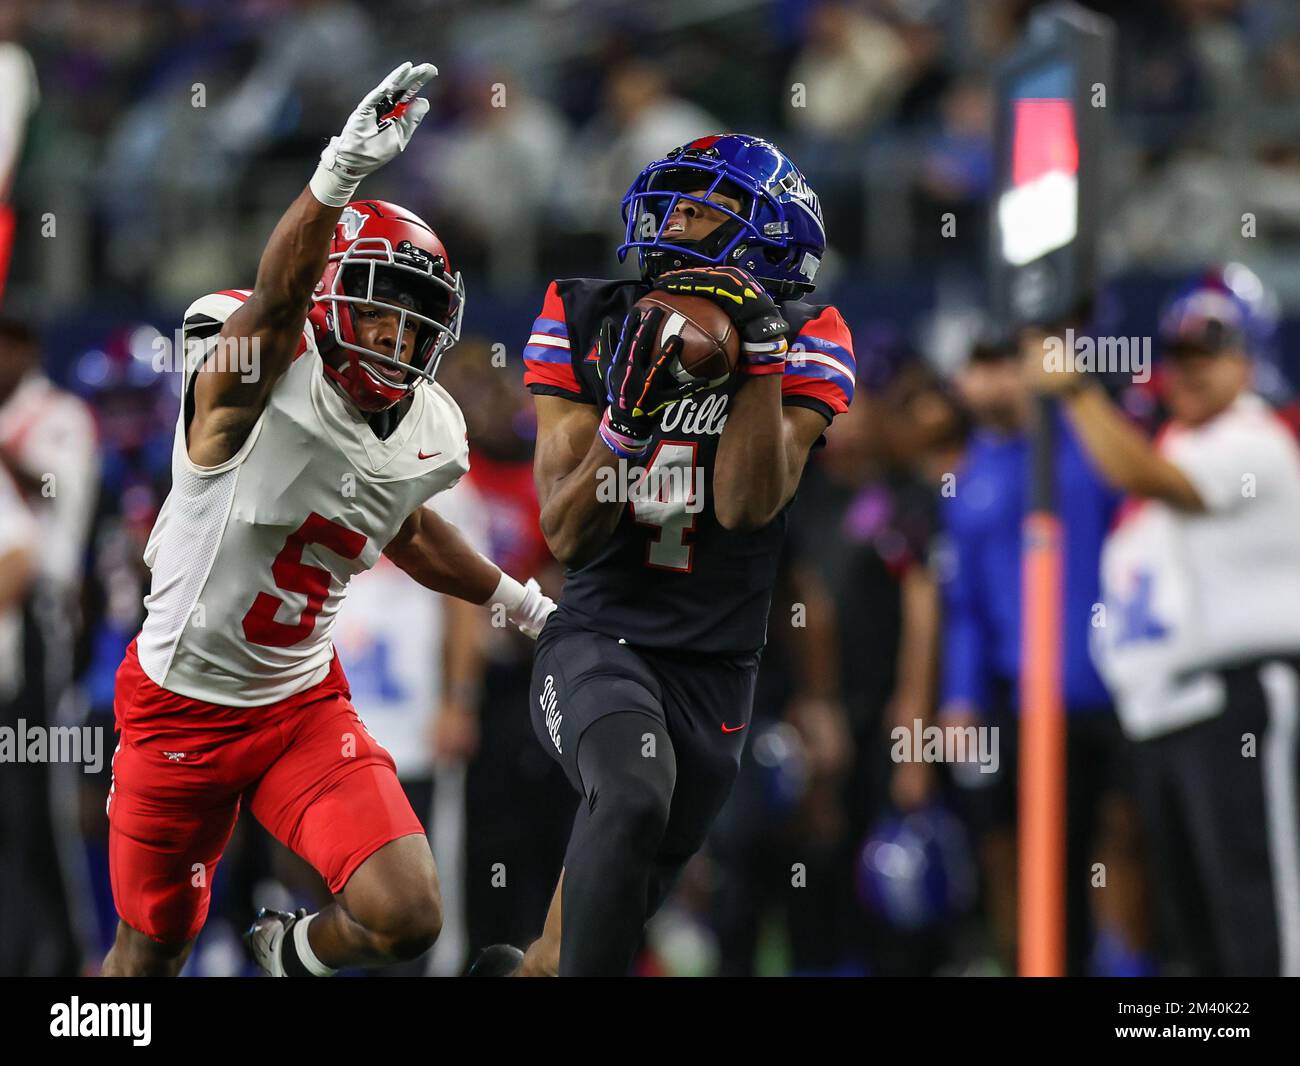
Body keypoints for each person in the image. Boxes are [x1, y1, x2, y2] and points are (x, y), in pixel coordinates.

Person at [101, 63, 555, 978]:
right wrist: (336, 177)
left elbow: (409, 530)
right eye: (378, 311)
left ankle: (290, 955)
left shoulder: (429, 425)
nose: (394, 339)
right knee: (148, 961)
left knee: (410, 915)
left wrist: (526, 604)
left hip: (301, 702)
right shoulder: (252, 375)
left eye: (413, 322)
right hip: (181, 709)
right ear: (327, 293)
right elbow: (273, 305)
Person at [498, 133, 856, 976]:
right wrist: (625, 426)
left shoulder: (810, 334)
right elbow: (568, 534)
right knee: (628, 793)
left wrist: (760, 360)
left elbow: (743, 504)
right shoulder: (586, 314)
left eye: (709, 202)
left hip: (718, 672)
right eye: (678, 197)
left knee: (576, 938)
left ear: (770, 233)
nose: (679, 213)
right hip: (598, 638)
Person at [1037, 269, 1300, 976]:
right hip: (1164, 715)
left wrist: (1073, 387)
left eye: (1207, 352)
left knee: (1257, 920)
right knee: (1191, 935)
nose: (1186, 370)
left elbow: (1143, 478)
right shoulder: (1175, 445)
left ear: (1251, 359)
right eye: (1176, 354)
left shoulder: (1256, 439)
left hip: (1237, 702)